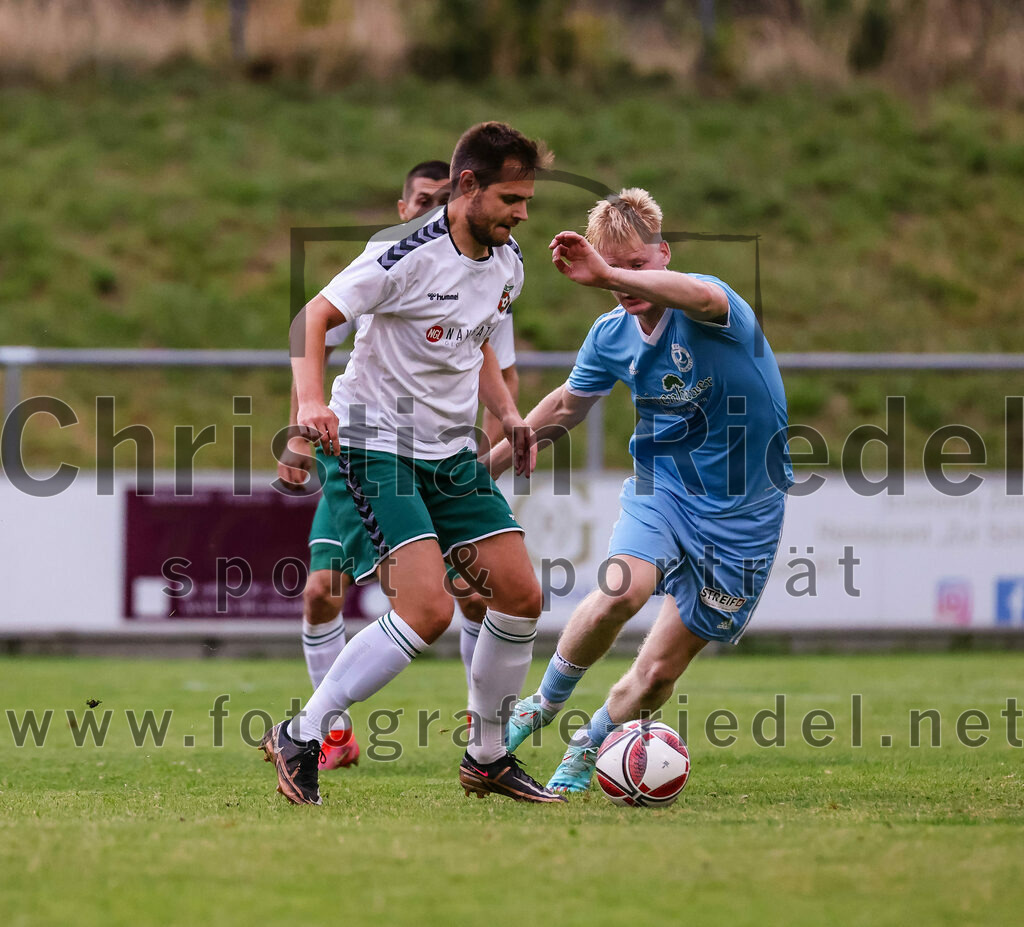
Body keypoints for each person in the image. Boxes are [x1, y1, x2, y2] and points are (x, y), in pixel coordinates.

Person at [262, 122, 565, 805]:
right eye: (512, 198)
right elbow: (311, 317)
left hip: (448, 451)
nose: (522, 213)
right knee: (426, 607)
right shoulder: (404, 253)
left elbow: (477, 344)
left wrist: (509, 415)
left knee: (520, 594)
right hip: (374, 444)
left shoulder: (507, 262)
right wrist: (310, 402)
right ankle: (303, 732)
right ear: (466, 187)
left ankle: (487, 756)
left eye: (527, 200)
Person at [487, 188, 792, 793]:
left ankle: (588, 748)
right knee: (621, 592)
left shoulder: (713, 304)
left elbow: (698, 294)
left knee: (656, 676)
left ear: (665, 255)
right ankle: (540, 706)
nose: (622, 282)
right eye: (609, 270)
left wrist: (606, 271)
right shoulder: (611, 335)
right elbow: (568, 405)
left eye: (635, 266)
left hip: (745, 515)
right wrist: (484, 467)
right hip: (666, 490)